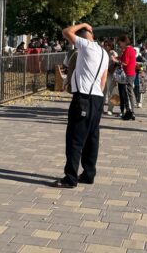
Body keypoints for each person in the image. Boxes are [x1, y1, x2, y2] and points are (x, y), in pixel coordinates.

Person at [52, 22, 108, 189]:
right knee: (92, 138)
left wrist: (83, 24)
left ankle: (70, 177)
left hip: (83, 97)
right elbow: (103, 80)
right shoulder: (104, 53)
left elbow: (66, 31)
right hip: (97, 98)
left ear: (83, 36)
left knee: (75, 138)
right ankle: (89, 173)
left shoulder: (86, 46)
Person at [117, 34, 138, 120]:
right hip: (131, 73)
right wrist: (118, 57)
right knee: (128, 92)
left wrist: (116, 60)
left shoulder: (128, 50)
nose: (119, 45)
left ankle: (130, 111)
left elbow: (125, 62)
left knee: (128, 92)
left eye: (120, 43)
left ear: (123, 42)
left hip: (128, 73)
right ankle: (130, 111)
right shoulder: (130, 49)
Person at [102, 40, 119, 116]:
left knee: (111, 92)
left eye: (107, 45)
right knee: (102, 91)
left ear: (111, 46)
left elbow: (116, 63)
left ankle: (110, 109)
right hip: (103, 74)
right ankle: (100, 108)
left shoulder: (113, 53)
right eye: (104, 45)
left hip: (111, 75)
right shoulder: (103, 52)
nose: (105, 47)